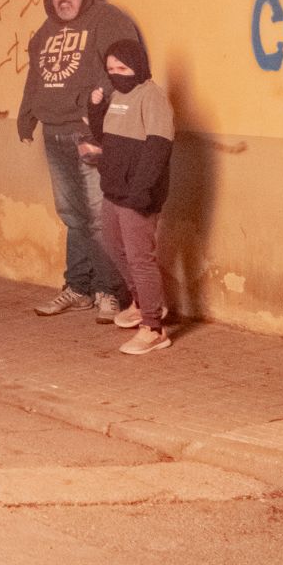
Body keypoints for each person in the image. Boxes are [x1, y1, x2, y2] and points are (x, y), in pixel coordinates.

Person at [17, 0, 140, 323]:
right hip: (53, 133)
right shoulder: (45, 31)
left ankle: (108, 290)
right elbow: (35, 76)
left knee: (99, 215)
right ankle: (80, 287)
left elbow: (121, 70)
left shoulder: (107, 19)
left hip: (86, 132)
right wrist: (27, 115)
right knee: (73, 215)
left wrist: (96, 120)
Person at [79, 40, 174, 355]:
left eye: (123, 68)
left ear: (139, 65)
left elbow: (158, 149)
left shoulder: (153, 97)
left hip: (137, 194)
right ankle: (141, 303)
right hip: (114, 189)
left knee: (139, 258)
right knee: (113, 246)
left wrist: (141, 191)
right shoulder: (118, 95)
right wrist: (95, 108)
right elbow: (104, 136)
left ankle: (154, 328)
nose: (117, 75)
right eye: (111, 70)